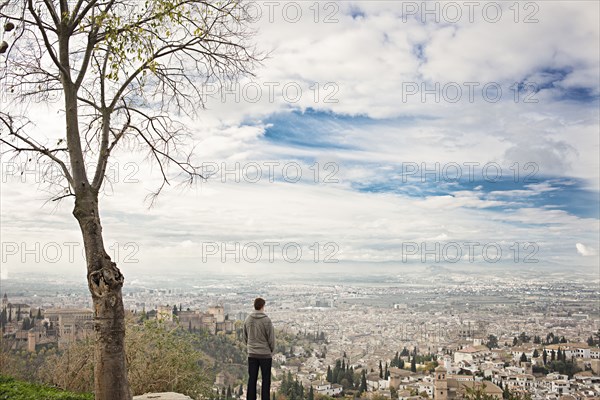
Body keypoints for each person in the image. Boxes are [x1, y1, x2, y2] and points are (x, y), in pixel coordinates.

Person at [244, 297, 275, 400]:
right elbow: (271, 339)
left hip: (252, 354)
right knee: (266, 380)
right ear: (262, 306)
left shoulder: (248, 319)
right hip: (265, 354)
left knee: (252, 379)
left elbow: (245, 337)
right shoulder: (267, 320)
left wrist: (250, 347)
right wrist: (270, 350)